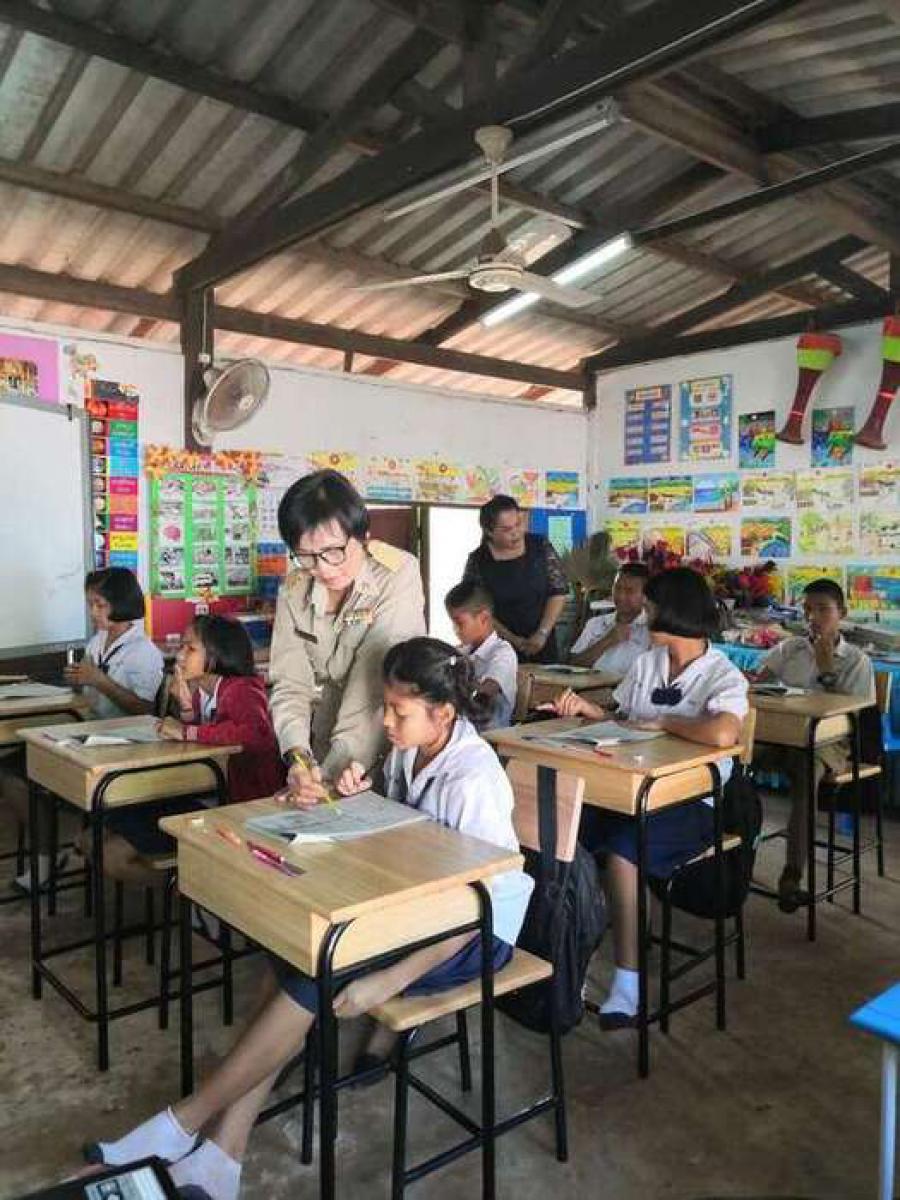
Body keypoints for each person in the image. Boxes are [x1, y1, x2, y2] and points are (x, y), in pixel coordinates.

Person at [83, 637, 533, 1200]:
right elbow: (408, 840)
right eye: (385, 707)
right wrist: (353, 799)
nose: (385, 722)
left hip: (472, 936)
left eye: (399, 711)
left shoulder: (473, 778)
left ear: (443, 714)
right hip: (413, 911)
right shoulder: (411, 748)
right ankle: (220, 1155)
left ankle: (185, 1125)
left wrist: (388, 980)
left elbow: (476, 903)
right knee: (294, 956)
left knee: (313, 968)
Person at [541, 568, 747, 1029]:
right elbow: (624, 719)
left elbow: (722, 733)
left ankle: (628, 982)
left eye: (650, 608)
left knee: (623, 852)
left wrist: (665, 722)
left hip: (691, 802)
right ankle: (568, 958)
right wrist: (588, 712)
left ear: (673, 613)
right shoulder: (647, 663)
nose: (643, 616)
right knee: (563, 832)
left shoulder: (722, 674)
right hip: (632, 790)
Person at [269, 470, 425, 808]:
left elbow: (372, 686)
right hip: (325, 741)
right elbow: (290, 683)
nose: (323, 568)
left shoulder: (397, 575)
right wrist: (299, 759)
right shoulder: (294, 589)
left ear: (362, 535)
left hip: (384, 740)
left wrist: (331, 774)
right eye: (306, 556)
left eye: (333, 551)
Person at [2, 568, 163, 893]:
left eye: (99, 605)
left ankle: (51, 858)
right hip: (86, 734)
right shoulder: (98, 640)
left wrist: (99, 681)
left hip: (120, 745)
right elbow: (87, 690)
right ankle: (47, 857)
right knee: (12, 771)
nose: (92, 612)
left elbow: (145, 710)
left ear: (121, 603)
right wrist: (75, 681)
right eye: (90, 604)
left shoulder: (144, 651)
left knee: (30, 776)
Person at [94, 615, 285, 883]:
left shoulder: (242, 689)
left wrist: (186, 731)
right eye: (182, 647)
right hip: (208, 792)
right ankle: (188, 886)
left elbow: (254, 733)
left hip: (245, 803)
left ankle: (188, 887)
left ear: (218, 655)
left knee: (114, 848)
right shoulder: (201, 691)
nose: (180, 655)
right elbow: (209, 737)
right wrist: (186, 711)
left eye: (190, 648)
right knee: (109, 824)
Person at [753, 578, 875, 913]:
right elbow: (760, 680)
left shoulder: (856, 660)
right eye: (807, 610)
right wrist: (755, 680)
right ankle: (734, 853)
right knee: (734, 761)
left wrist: (826, 668)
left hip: (829, 743)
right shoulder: (791, 648)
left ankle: (791, 876)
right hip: (784, 735)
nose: (813, 618)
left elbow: (852, 715)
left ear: (842, 613)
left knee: (805, 777)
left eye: (823, 609)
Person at [463, 495, 568, 664]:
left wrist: (542, 633)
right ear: (489, 532)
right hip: (498, 647)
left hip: (543, 641)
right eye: (506, 529)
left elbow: (558, 591)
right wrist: (513, 639)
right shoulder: (478, 561)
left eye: (518, 524)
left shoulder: (540, 546)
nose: (516, 533)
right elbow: (476, 609)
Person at [445, 579, 518, 729]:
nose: (455, 630)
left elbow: (488, 690)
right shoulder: (462, 652)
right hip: (465, 728)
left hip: (491, 733)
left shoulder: (503, 652)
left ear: (484, 618)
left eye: (460, 623)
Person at [569, 562, 651, 678]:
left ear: (645, 596)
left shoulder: (652, 631)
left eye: (629, 591)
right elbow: (572, 666)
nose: (621, 596)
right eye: (617, 588)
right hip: (589, 687)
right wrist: (607, 640)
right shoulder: (595, 623)